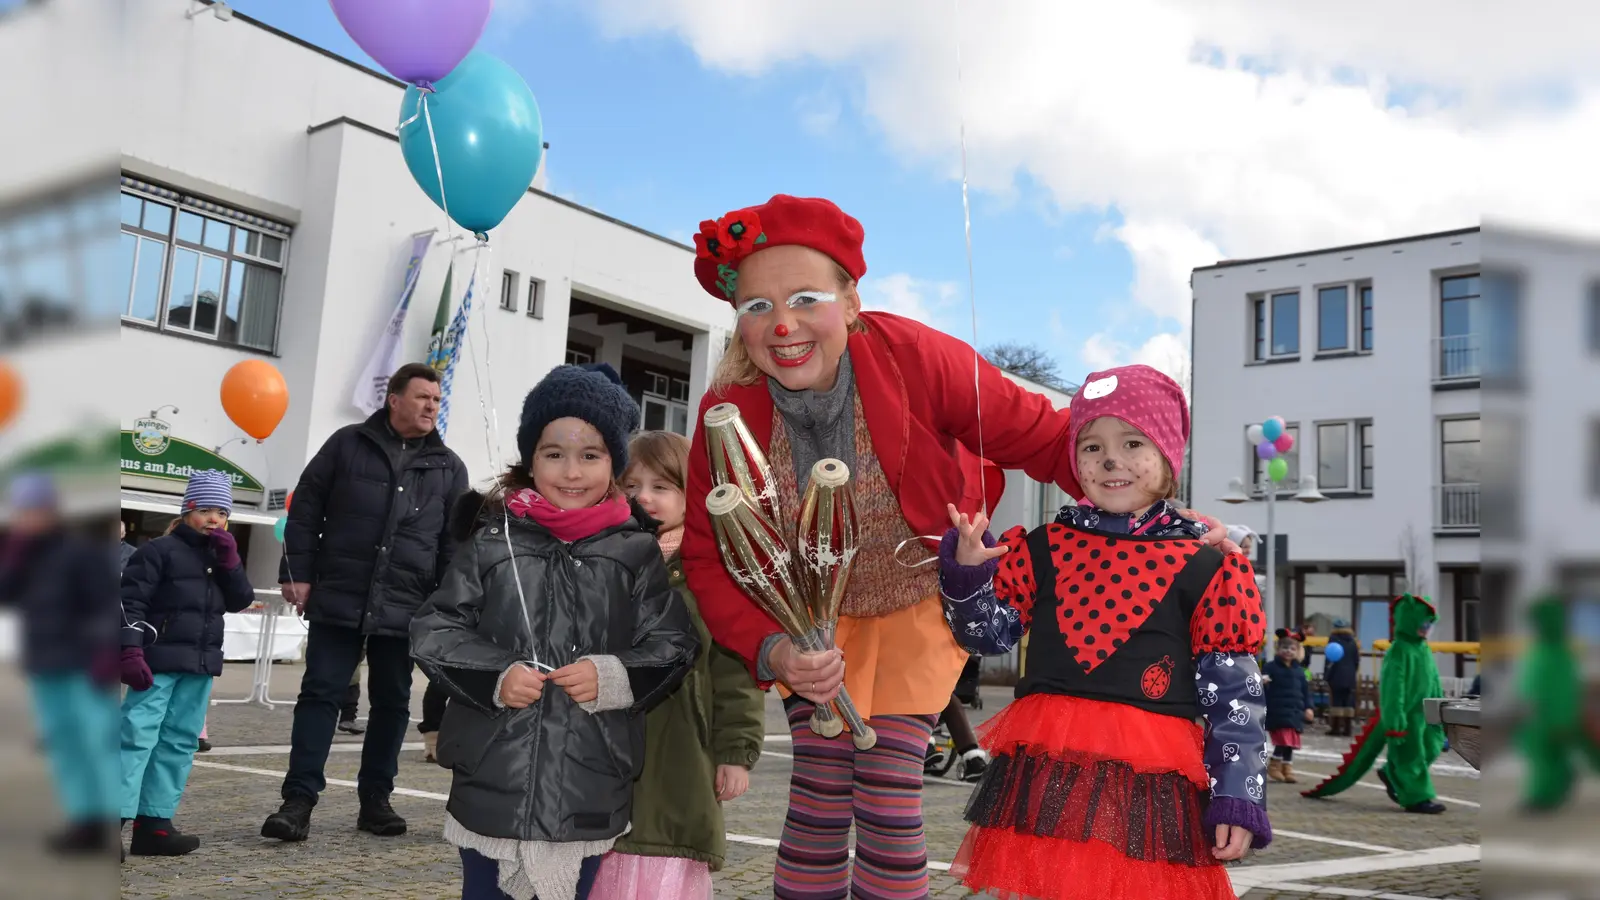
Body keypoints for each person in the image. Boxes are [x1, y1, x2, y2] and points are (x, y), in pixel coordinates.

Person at [678, 195, 1240, 898]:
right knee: (818, 796)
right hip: (812, 625)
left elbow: (1042, 435)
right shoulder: (725, 411)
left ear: (850, 301)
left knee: (886, 792)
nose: (782, 324)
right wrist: (773, 650)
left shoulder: (915, 357)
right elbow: (709, 553)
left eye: (805, 298)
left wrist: (1160, 514)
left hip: (916, 601)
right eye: (757, 306)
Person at [938, 364, 1270, 900]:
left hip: (1152, 781)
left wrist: (1238, 795)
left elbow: (1235, 695)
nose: (1111, 459)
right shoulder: (1042, 547)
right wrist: (968, 578)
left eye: (1133, 442)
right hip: (1050, 773)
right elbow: (987, 637)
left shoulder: (1206, 565)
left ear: (1168, 456)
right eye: (1091, 447)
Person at [411, 364, 699, 900]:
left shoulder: (635, 551)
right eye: (553, 454)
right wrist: (496, 675)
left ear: (614, 463)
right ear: (530, 458)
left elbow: (673, 644)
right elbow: (435, 627)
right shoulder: (492, 541)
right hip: (492, 778)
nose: (571, 472)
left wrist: (613, 675)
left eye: (590, 456)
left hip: (589, 781)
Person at [262, 363, 469, 842]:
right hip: (340, 592)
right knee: (320, 694)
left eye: (436, 400)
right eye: (422, 397)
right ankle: (298, 801)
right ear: (394, 399)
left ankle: (376, 799)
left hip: (407, 603)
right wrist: (296, 573)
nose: (431, 406)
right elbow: (306, 509)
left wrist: (446, 607)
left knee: (392, 702)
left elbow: (454, 544)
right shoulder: (346, 444)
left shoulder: (448, 467)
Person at [590, 431, 766, 900]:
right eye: (631, 485)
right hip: (606, 752)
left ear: (693, 494)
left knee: (662, 862)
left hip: (684, 753)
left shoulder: (713, 571)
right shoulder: (603, 559)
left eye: (661, 486)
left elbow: (736, 671)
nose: (644, 497)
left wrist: (736, 752)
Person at [119, 470, 255, 856]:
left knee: (180, 741)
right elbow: (130, 603)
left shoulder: (221, 556)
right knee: (135, 738)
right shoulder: (158, 551)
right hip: (157, 662)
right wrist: (129, 649)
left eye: (222, 513)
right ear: (186, 511)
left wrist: (231, 562)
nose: (214, 519)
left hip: (200, 664)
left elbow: (240, 599)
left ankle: (154, 823)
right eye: (205, 510)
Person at [0, 474, 121, 855]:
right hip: (45, 662)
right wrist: (13, 559)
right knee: (64, 745)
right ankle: (84, 821)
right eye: (22, 511)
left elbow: (104, 602)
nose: (27, 518)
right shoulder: (25, 554)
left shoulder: (80, 551)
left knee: (97, 743)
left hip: (84, 663)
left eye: (34, 510)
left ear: (51, 511)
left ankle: (110, 824)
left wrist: (104, 652)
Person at [1303, 594, 1447, 814]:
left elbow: (1433, 680)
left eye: (1429, 624)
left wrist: (1439, 711)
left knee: (1432, 746)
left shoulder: (1424, 649)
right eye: (1422, 624)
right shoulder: (1399, 651)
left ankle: (1391, 772)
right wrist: (1395, 719)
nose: (1426, 629)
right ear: (1409, 622)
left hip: (1423, 713)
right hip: (1404, 716)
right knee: (1411, 754)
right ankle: (1416, 797)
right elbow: (1392, 689)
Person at [1263, 629, 1315, 783]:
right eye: (1285, 648)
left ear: (1298, 651)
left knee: (1291, 742)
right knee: (1283, 740)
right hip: (1277, 710)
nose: (1288, 651)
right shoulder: (1271, 667)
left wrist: (1309, 707)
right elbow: (1261, 688)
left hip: (1295, 711)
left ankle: (1287, 768)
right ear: (1278, 649)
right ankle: (1274, 765)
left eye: (1292, 649)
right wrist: (1262, 683)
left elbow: (1306, 691)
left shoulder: (1299, 671)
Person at [1323, 618, 1360, 736]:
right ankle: (1348, 729)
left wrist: (1327, 676)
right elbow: (1356, 660)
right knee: (1348, 701)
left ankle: (1336, 728)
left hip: (1336, 675)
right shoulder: (1353, 642)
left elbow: (1329, 659)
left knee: (1336, 701)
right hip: (1350, 676)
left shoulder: (1333, 640)